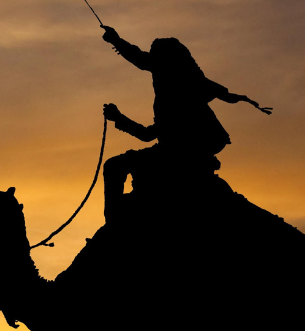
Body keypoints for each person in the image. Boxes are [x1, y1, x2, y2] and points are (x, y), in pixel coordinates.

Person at [97, 25, 269, 221]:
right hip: (178, 152)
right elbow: (142, 60)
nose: (153, 70)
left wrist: (119, 118)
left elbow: (147, 135)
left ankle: (115, 222)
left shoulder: (177, 95)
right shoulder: (188, 87)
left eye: (156, 62)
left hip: (179, 156)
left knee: (114, 166)